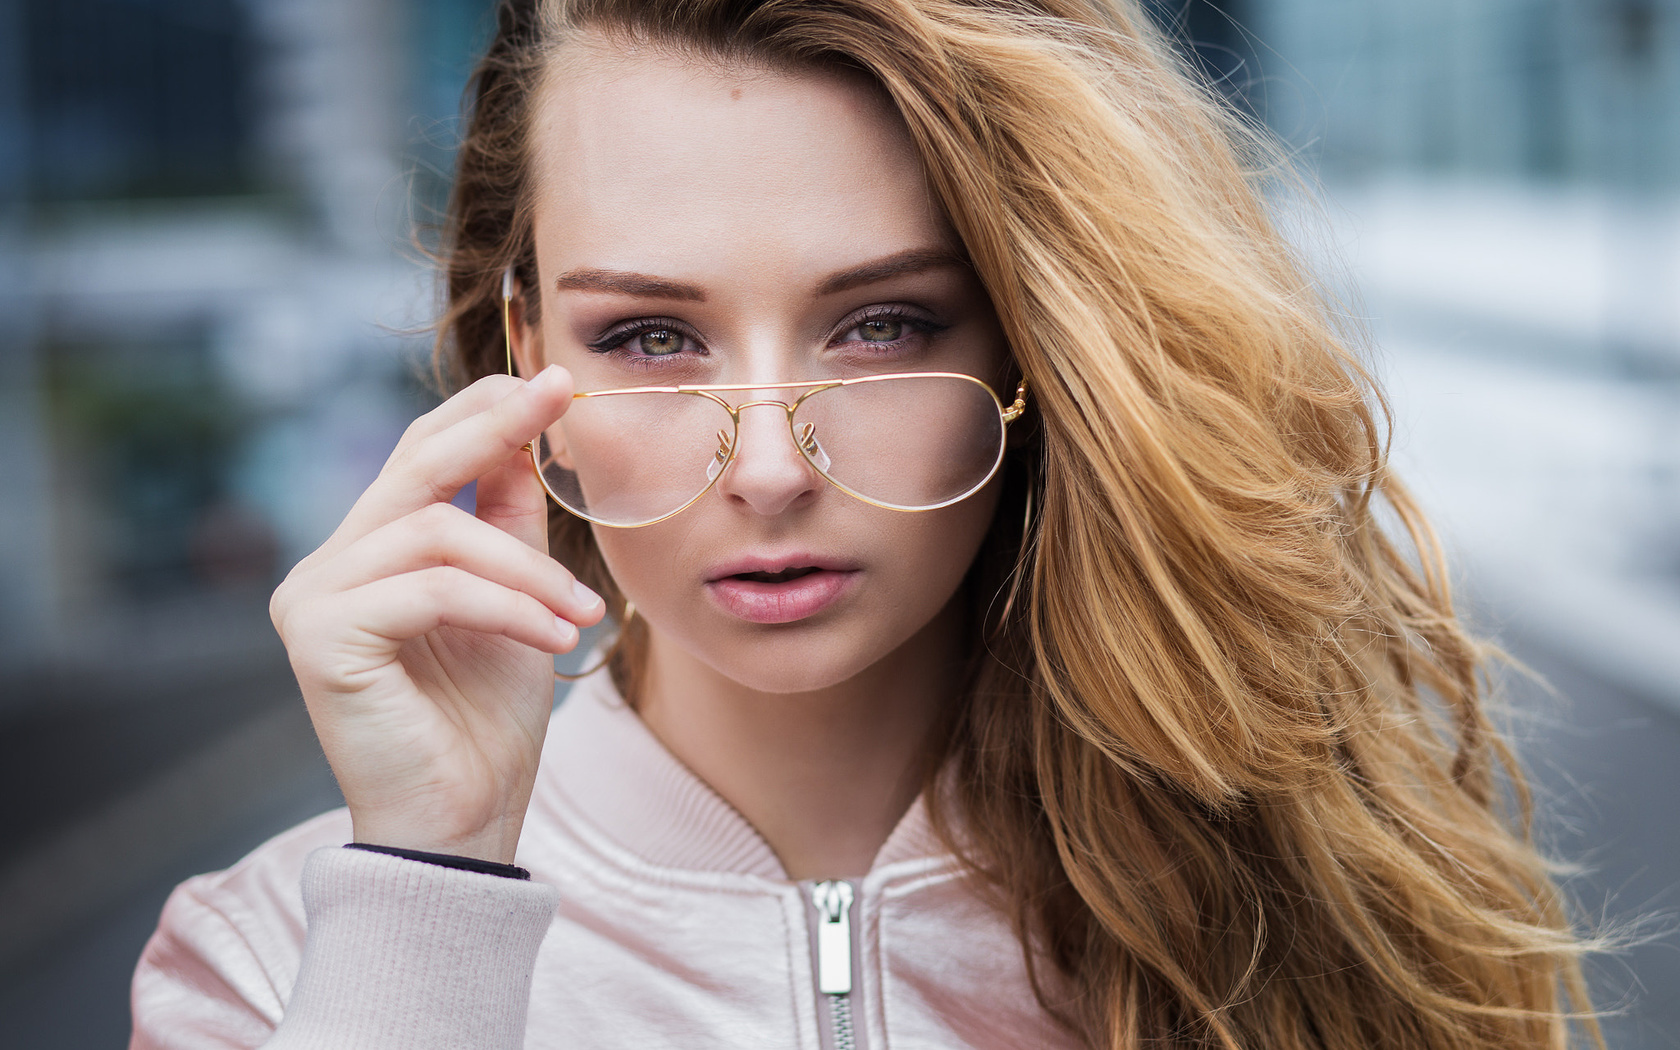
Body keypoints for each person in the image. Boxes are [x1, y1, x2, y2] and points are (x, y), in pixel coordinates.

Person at [128, 1, 1601, 1047]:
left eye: (882, 324)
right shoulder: (275, 968)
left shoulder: (1312, 896)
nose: (769, 465)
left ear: (1036, 344)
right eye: (650, 335)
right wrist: (430, 892)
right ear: (527, 352)